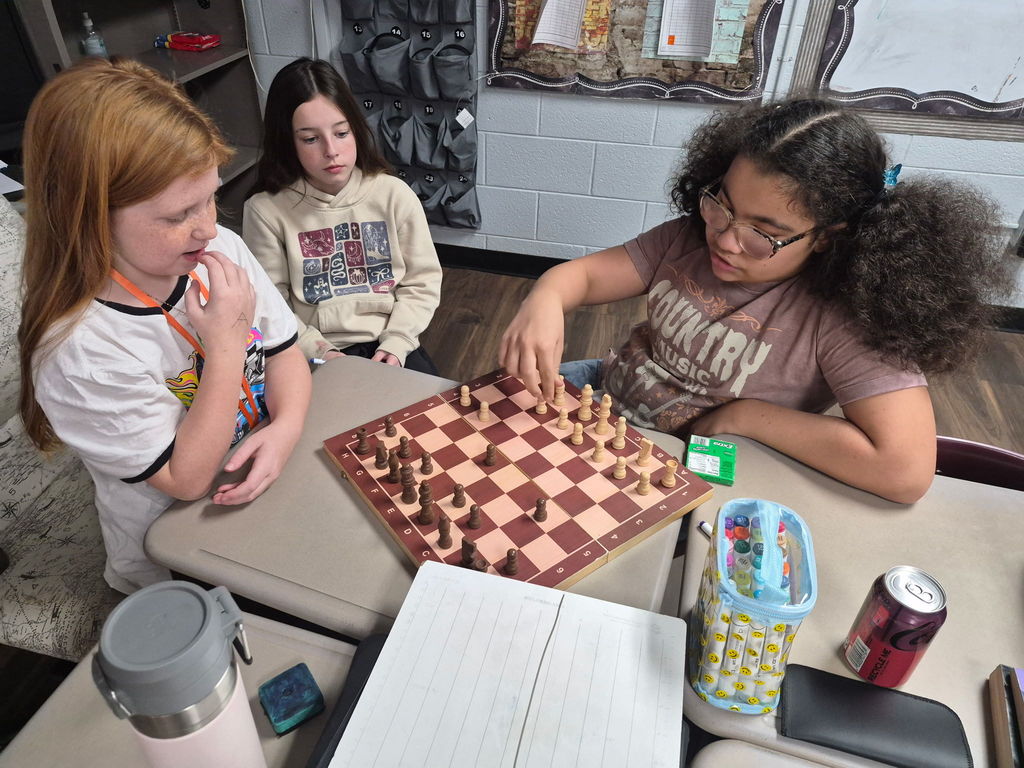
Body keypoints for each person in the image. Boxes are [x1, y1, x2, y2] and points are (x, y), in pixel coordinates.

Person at [501, 99, 1010, 504]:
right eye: (721, 206)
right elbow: (584, 277)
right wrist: (546, 294)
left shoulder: (842, 319)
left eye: (764, 234)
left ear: (828, 237)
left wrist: (746, 417)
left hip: (692, 455)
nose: (724, 239)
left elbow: (905, 470)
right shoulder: (686, 238)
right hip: (605, 392)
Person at [18, 58, 312, 593]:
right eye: (178, 215)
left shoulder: (218, 248)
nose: (209, 227)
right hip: (178, 556)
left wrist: (287, 426)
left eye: (211, 198)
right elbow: (185, 480)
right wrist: (223, 349)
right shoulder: (79, 350)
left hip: (263, 486)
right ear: (90, 215)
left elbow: (284, 350)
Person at [244, 58, 442, 373]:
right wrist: (319, 351)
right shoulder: (265, 210)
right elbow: (272, 302)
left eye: (341, 133)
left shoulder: (393, 194)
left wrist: (397, 343)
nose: (331, 150)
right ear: (287, 142)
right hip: (312, 348)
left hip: (389, 342)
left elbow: (422, 282)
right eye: (310, 139)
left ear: (356, 129)